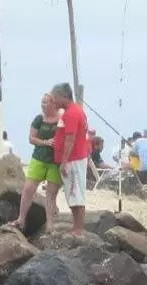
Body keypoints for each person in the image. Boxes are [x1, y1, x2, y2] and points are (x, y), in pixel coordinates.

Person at [9, 93, 61, 232]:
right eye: (42, 102)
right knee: (28, 189)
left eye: (46, 102)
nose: (43, 105)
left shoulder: (61, 119)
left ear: (53, 104)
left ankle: (50, 224)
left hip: (55, 161)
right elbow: (31, 138)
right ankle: (21, 218)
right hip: (39, 158)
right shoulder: (39, 119)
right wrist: (45, 142)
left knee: (51, 194)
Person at [51, 82, 88, 236]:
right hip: (76, 158)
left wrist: (64, 161)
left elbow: (70, 139)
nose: (53, 100)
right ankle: (76, 225)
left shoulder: (71, 113)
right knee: (74, 193)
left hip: (73, 159)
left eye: (55, 97)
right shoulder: (76, 110)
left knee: (75, 192)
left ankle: (78, 228)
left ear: (64, 97)